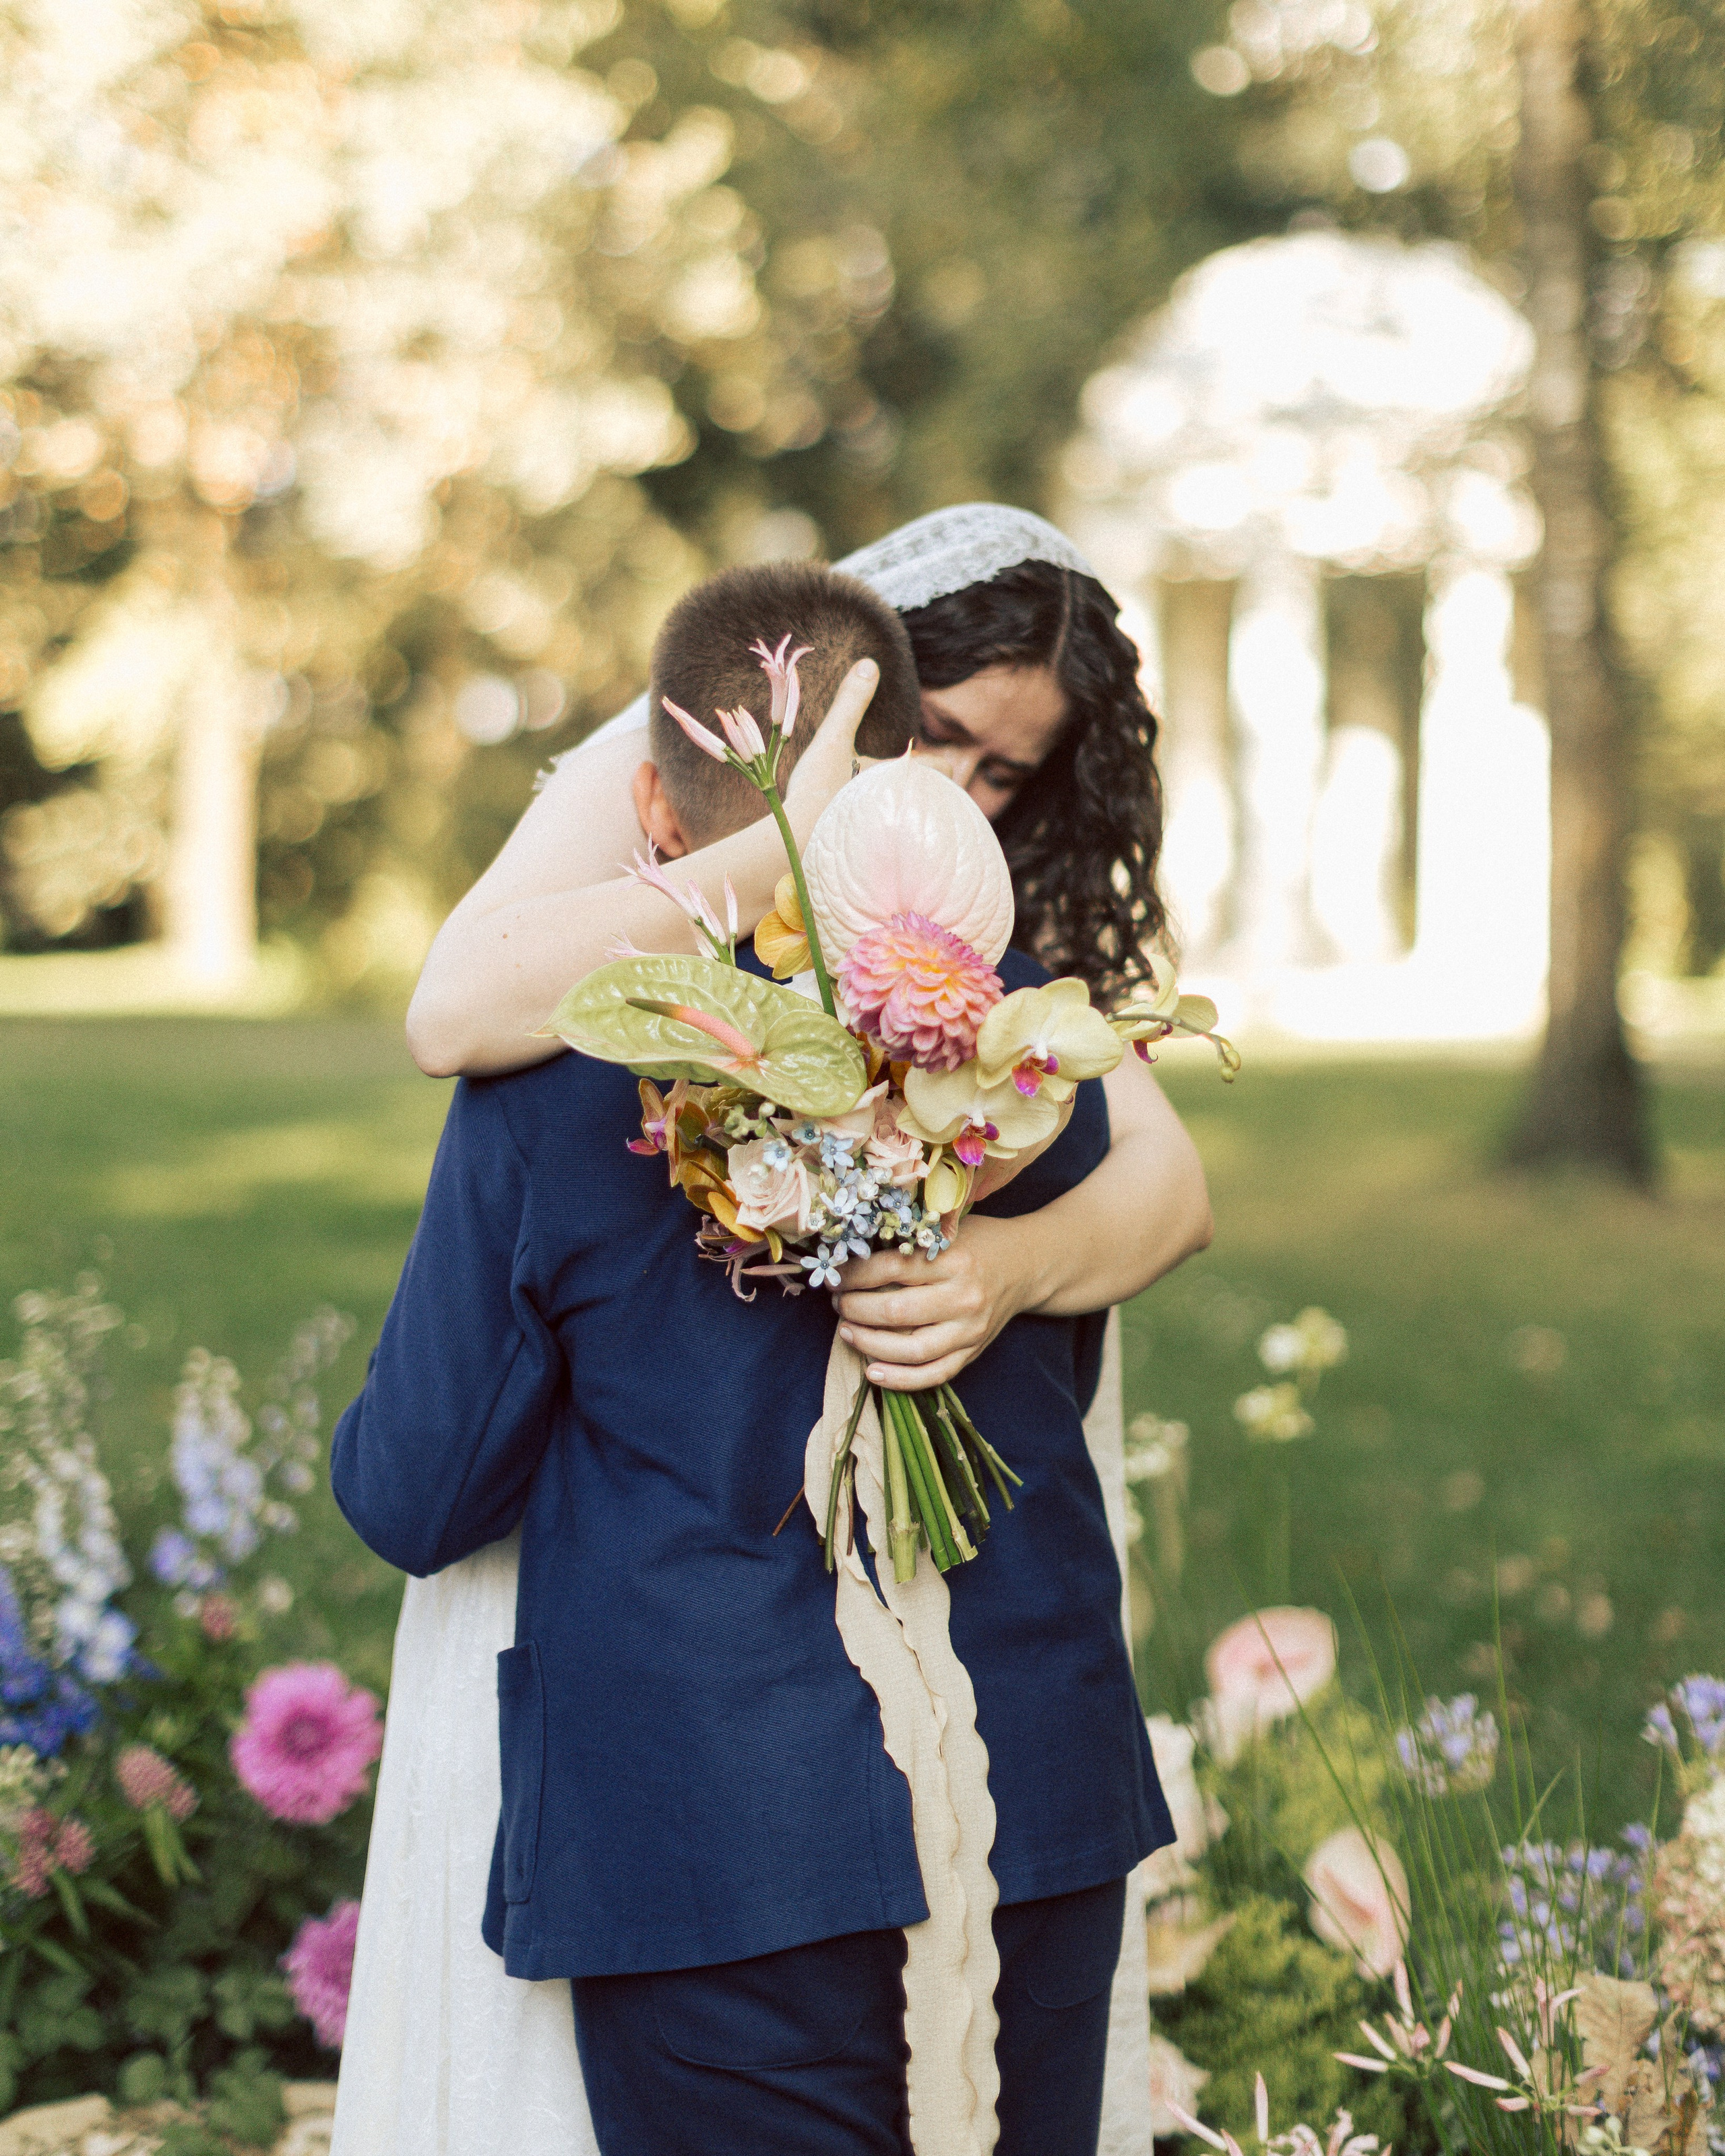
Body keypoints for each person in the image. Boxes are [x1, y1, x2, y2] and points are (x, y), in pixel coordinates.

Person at [332, 507, 1213, 2156]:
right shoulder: (1033, 1047)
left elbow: (421, 1487)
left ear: (651, 801)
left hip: (715, 1842)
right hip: (1038, 1799)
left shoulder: (560, 1078)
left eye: (999, 776)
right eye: (933, 749)